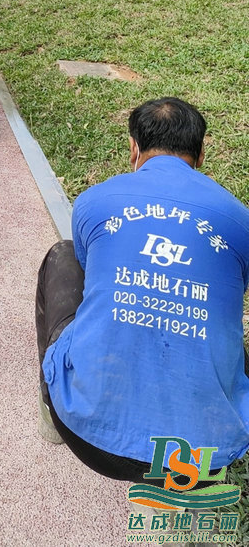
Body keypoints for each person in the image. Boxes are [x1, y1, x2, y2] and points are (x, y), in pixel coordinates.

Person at [36, 97, 249, 482]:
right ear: (202, 153)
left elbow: (90, 274)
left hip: (86, 437)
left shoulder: (94, 201)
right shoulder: (240, 220)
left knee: (63, 257)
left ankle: (51, 413)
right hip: (201, 463)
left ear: (133, 148)